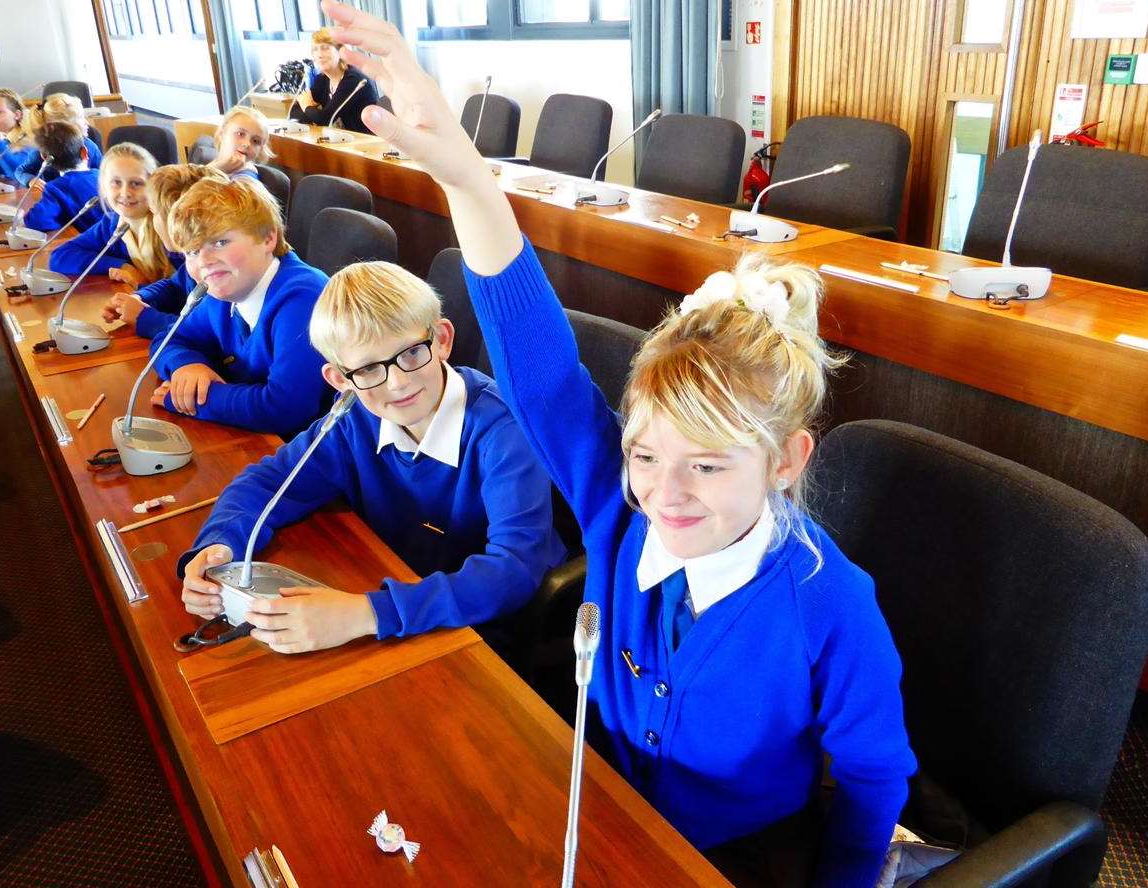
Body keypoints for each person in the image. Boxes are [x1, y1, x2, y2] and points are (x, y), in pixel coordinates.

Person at [317, 3, 916, 886]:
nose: (663, 494)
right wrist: (471, 187)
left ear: (785, 463)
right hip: (597, 804)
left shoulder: (831, 605)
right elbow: (542, 369)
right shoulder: (618, 505)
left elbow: (873, 780)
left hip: (733, 855)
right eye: (644, 455)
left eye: (707, 465)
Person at [178, 259, 566, 654]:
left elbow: (514, 568)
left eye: (412, 353)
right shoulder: (354, 418)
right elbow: (268, 482)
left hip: (482, 626)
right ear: (340, 379)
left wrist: (365, 614)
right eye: (367, 369)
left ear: (443, 340)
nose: (398, 383)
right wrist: (220, 545)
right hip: (396, 590)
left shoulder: (503, 430)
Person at [148, 176, 330, 439]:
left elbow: (286, 408)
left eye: (219, 242)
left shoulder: (304, 297)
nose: (204, 261)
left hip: (306, 455)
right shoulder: (222, 293)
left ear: (268, 238)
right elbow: (168, 338)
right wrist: (186, 365)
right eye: (192, 252)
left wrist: (196, 397)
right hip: (255, 439)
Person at [102, 164, 229, 340]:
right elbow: (174, 286)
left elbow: (208, 334)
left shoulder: (218, 270)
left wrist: (145, 318)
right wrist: (140, 298)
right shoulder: (192, 259)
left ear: (175, 219)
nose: (152, 221)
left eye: (154, 213)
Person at [47, 143, 172, 287]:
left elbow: (189, 296)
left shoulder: (168, 227)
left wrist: (140, 284)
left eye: (136, 183)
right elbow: (60, 257)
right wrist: (122, 266)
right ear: (104, 187)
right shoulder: (112, 223)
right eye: (116, 183)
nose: (125, 193)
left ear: (153, 186)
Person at [288, 28, 378, 133]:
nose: (319, 55)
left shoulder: (354, 80)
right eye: (315, 50)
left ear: (340, 52)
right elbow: (295, 113)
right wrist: (311, 112)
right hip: (340, 141)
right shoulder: (322, 80)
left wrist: (307, 106)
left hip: (365, 144)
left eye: (325, 48)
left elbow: (325, 119)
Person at [21, 121, 105, 233]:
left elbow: (36, 221)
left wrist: (61, 218)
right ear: (84, 152)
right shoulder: (102, 176)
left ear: (45, 158)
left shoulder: (56, 189)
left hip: (98, 245)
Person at [16, 94, 103, 186]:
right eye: (81, 118)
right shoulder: (43, 151)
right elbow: (21, 171)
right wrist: (31, 180)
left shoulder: (90, 147)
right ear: (66, 128)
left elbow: (104, 172)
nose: (87, 122)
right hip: (55, 196)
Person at [0, 88, 36, 182]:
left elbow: (19, 174)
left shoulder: (28, 139)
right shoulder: (2, 139)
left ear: (17, 115)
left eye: (0, 112)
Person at [210, 106, 272, 180]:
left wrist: (216, 170)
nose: (247, 144)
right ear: (222, 134)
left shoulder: (246, 179)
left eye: (255, 141)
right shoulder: (215, 162)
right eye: (240, 134)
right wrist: (216, 168)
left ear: (261, 148)